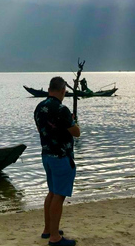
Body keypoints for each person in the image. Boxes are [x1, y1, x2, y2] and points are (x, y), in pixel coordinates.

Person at [34, 76, 81, 246]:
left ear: (49, 89)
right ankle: (55, 237)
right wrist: (74, 121)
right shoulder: (62, 109)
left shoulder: (39, 107)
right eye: (65, 92)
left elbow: (41, 129)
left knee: (52, 192)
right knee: (59, 196)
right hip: (61, 157)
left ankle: (48, 229)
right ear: (62, 91)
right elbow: (76, 132)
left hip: (46, 155)